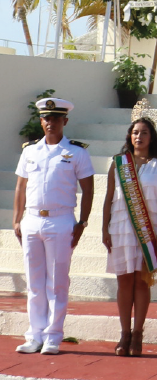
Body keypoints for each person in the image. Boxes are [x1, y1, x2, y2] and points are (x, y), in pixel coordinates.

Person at [13, 97, 94, 355]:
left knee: (57, 282)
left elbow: (88, 189)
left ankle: (53, 336)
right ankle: (34, 335)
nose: (51, 123)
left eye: (56, 118)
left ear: (65, 121)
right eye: (47, 118)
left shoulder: (76, 152)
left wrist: (82, 222)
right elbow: (20, 186)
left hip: (60, 219)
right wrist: (17, 219)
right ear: (41, 121)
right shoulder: (30, 151)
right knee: (35, 282)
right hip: (33, 219)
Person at [101, 118, 157, 357]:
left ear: (152, 137)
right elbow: (109, 197)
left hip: (148, 230)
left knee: (142, 281)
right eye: (134, 133)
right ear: (129, 137)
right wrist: (104, 229)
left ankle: (138, 332)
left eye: (143, 133)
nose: (138, 137)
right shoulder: (119, 164)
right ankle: (124, 333)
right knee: (124, 281)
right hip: (120, 229)